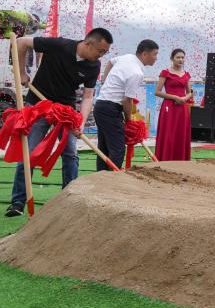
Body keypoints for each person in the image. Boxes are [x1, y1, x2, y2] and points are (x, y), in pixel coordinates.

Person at [5, 28, 111, 217]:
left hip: (65, 110)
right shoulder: (60, 45)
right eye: (100, 51)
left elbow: (88, 97)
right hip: (39, 103)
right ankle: (18, 201)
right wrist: (21, 72)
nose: (101, 56)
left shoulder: (93, 66)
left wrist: (80, 122)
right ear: (88, 43)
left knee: (70, 153)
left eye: (104, 53)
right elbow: (21, 43)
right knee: (29, 152)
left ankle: (69, 199)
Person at [94, 39, 159, 171]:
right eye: (154, 54)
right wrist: (129, 121)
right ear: (144, 54)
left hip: (100, 105)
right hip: (111, 108)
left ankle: (101, 177)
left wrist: (104, 82)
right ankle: (112, 178)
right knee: (117, 149)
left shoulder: (127, 57)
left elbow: (110, 62)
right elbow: (126, 100)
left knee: (104, 147)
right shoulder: (137, 73)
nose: (156, 58)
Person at [154, 48, 193, 161]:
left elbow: (190, 92)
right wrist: (175, 97)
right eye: (178, 57)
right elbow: (157, 92)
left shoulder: (186, 74)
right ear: (172, 59)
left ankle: (181, 160)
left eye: (182, 57)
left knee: (181, 133)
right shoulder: (165, 73)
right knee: (169, 133)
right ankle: (165, 159)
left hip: (182, 107)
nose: (180, 60)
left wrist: (184, 98)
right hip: (169, 107)